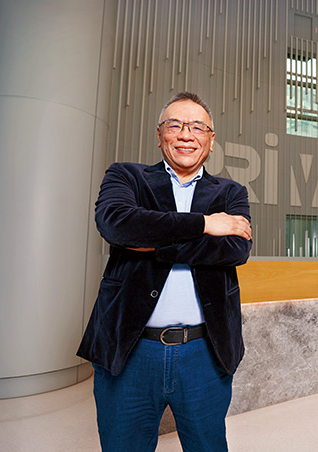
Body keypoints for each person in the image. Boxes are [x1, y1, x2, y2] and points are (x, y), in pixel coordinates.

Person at [77, 92, 252, 452]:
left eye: (197, 127)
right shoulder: (127, 176)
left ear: (211, 140)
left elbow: (234, 249)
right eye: (175, 125)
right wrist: (205, 224)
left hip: (204, 354)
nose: (186, 134)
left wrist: (150, 240)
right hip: (129, 351)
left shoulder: (231, 192)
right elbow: (117, 225)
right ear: (160, 136)